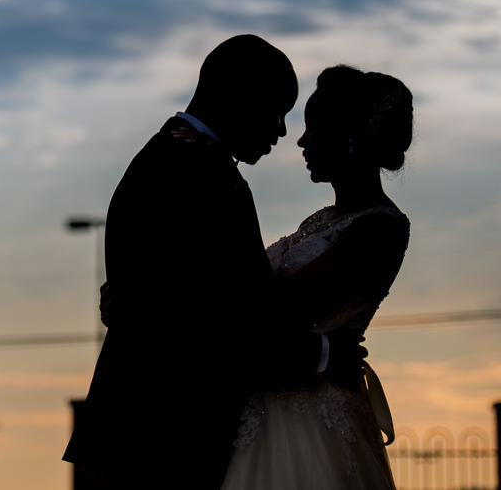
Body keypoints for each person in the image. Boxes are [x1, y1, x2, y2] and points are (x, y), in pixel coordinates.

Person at [62, 35, 366, 488]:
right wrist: (325, 355)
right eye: (277, 110)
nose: (282, 131)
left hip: (148, 429)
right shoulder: (201, 175)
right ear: (241, 96)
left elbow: (178, 301)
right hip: (174, 432)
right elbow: (221, 320)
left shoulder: (168, 157)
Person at [220, 65, 413, 489]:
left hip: (307, 419)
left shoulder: (379, 227)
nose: (302, 141)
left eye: (314, 129)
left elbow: (274, 307)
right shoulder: (323, 219)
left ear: (350, 137)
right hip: (269, 401)